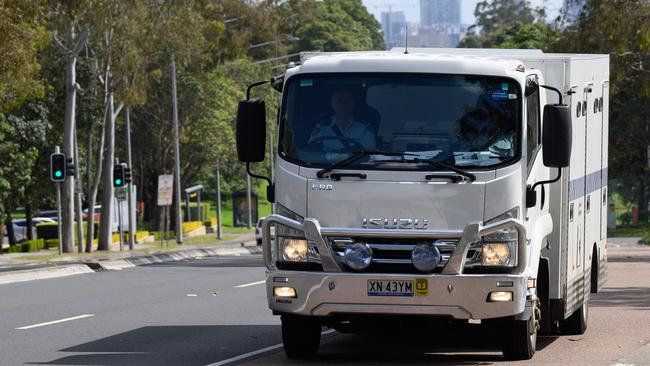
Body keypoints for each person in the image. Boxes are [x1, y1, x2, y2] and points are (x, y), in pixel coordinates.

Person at [308, 88, 376, 151]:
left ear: (353, 103)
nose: (343, 104)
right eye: (339, 100)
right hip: (325, 164)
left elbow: (370, 152)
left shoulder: (364, 127)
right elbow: (311, 151)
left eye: (348, 100)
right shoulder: (322, 127)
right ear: (332, 104)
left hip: (355, 163)